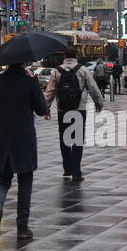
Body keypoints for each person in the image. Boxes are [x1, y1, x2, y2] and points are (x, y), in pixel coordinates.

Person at [0, 62, 50, 242]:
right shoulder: (29, 82)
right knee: (25, 181)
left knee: (3, 179)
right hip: (24, 138)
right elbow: (42, 109)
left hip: (2, 138)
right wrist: (36, 87)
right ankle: (22, 226)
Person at [43, 48, 104, 181]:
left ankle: (67, 169)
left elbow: (50, 91)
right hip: (79, 109)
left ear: (64, 56)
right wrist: (99, 103)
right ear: (76, 56)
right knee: (77, 140)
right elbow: (93, 87)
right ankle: (76, 172)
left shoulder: (56, 71)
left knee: (64, 140)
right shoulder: (83, 70)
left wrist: (45, 108)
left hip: (62, 110)